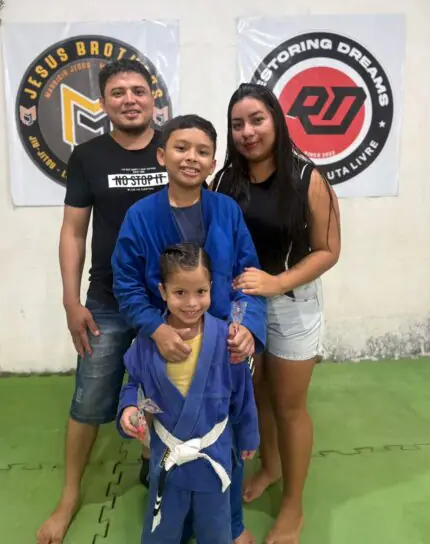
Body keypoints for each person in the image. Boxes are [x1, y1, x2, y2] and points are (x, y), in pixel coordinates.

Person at [111, 113, 267, 544]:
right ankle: (171, 520)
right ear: (162, 155)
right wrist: (155, 329)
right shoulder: (141, 216)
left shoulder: (226, 211)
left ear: (213, 162)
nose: (191, 157)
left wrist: (245, 327)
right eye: (181, 148)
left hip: (221, 343)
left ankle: (230, 524)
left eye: (202, 151)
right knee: (169, 434)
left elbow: (248, 275)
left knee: (226, 435)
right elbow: (126, 283)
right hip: (164, 341)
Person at [36, 59, 169, 544]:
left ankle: (155, 463)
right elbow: (73, 232)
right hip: (108, 300)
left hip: (169, 303)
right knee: (90, 400)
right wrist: (71, 302)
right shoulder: (88, 157)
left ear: (153, 97)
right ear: (103, 102)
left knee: (168, 391)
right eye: (118, 92)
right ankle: (70, 495)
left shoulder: (173, 147)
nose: (129, 99)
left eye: (138, 90)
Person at [212, 83, 341, 544]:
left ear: (276, 121)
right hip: (243, 304)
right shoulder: (225, 180)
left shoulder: (308, 178)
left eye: (257, 120)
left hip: (291, 302)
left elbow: (328, 250)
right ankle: (269, 467)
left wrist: (277, 282)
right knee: (258, 394)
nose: (247, 132)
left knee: (289, 406)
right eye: (238, 124)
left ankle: (293, 506)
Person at [117, 243, 259, 543]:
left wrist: (248, 435)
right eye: (180, 292)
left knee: (215, 528)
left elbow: (242, 394)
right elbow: (135, 386)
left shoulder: (227, 339)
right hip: (168, 457)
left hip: (213, 455)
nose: (192, 303)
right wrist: (130, 409)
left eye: (201, 292)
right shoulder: (148, 341)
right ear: (163, 291)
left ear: (211, 289)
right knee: (164, 528)